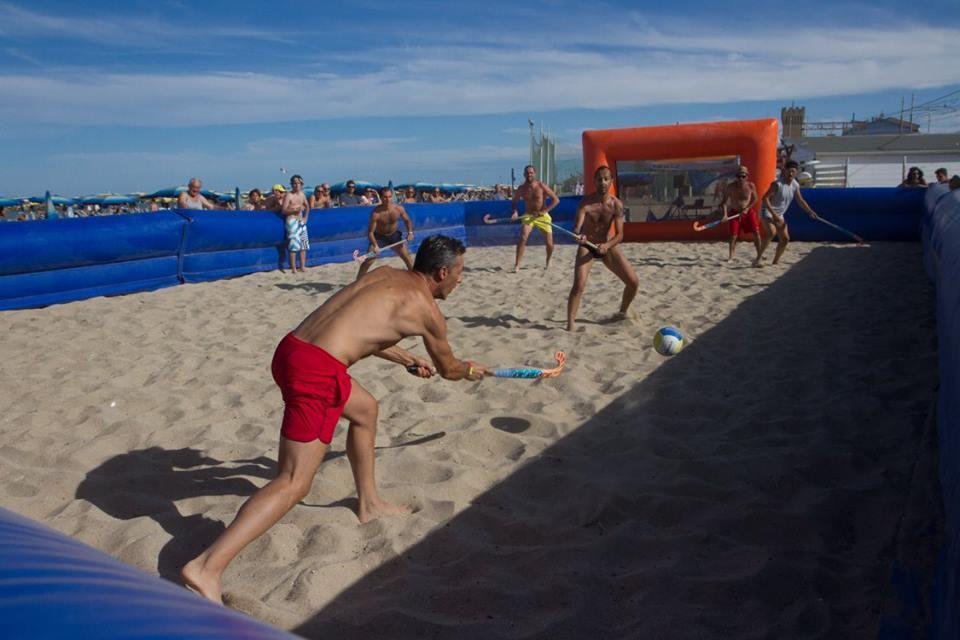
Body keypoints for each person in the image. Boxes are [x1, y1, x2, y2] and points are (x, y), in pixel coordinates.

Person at [180, 235, 489, 604]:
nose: (460, 280)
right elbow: (450, 370)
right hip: (316, 372)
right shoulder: (428, 313)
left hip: (292, 348)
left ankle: (369, 502)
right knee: (294, 482)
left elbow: (357, 328)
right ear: (442, 272)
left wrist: (406, 358)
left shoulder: (386, 274)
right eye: (460, 273)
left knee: (365, 409)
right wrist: (470, 370)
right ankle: (206, 567)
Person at [566, 166, 639, 332]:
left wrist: (606, 246)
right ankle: (570, 326)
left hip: (606, 245)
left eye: (606, 179)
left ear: (611, 181)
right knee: (579, 284)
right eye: (599, 179)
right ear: (594, 182)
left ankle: (622, 312)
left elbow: (620, 235)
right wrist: (579, 236)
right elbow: (576, 228)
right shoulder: (585, 203)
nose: (603, 182)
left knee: (633, 282)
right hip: (587, 246)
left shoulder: (616, 205)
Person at [756, 160, 820, 266]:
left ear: (796, 172)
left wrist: (810, 211)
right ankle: (758, 259)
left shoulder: (795, 185)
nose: (791, 174)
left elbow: (800, 201)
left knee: (785, 239)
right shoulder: (777, 184)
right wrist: (774, 214)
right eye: (789, 171)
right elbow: (765, 198)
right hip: (767, 211)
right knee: (771, 232)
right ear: (784, 171)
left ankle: (775, 262)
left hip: (779, 213)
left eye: (793, 171)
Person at [356, 187, 415, 279]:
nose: (387, 199)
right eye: (385, 197)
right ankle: (357, 282)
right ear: (381, 197)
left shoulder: (398, 209)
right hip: (379, 238)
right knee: (368, 260)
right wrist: (375, 245)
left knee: (408, 259)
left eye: (389, 197)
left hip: (395, 236)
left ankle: (416, 280)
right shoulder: (376, 213)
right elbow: (370, 233)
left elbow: (407, 220)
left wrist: (410, 232)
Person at [510, 165, 559, 271]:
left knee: (549, 243)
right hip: (528, 216)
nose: (529, 175)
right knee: (523, 238)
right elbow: (514, 201)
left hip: (542, 216)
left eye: (531, 172)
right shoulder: (521, 189)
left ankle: (548, 260)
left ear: (534, 174)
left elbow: (556, 200)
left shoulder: (541, 186)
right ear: (524, 174)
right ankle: (517, 265)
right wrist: (515, 211)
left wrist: (544, 211)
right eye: (527, 173)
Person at [719, 166, 761, 263]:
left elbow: (755, 198)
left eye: (743, 176)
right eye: (738, 176)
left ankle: (759, 254)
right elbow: (724, 202)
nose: (740, 178)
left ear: (747, 176)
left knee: (756, 233)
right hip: (734, 212)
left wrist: (747, 208)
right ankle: (731, 257)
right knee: (733, 236)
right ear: (736, 177)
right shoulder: (731, 187)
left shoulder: (751, 185)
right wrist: (725, 215)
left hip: (748, 212)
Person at [282, 175, 310, 273]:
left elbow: (307, 206)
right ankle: (293, 268)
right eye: (294, 183)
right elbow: (284, 210)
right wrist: (294, 210)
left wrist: (306, 217)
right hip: (292, 220)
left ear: (301, 184)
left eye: (298, 183)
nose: (296, 185)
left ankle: (302, 266)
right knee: (293, 246)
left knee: (304, 245)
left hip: (301, 220)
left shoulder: (302, 194)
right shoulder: (289, 195)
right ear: (291, 184)